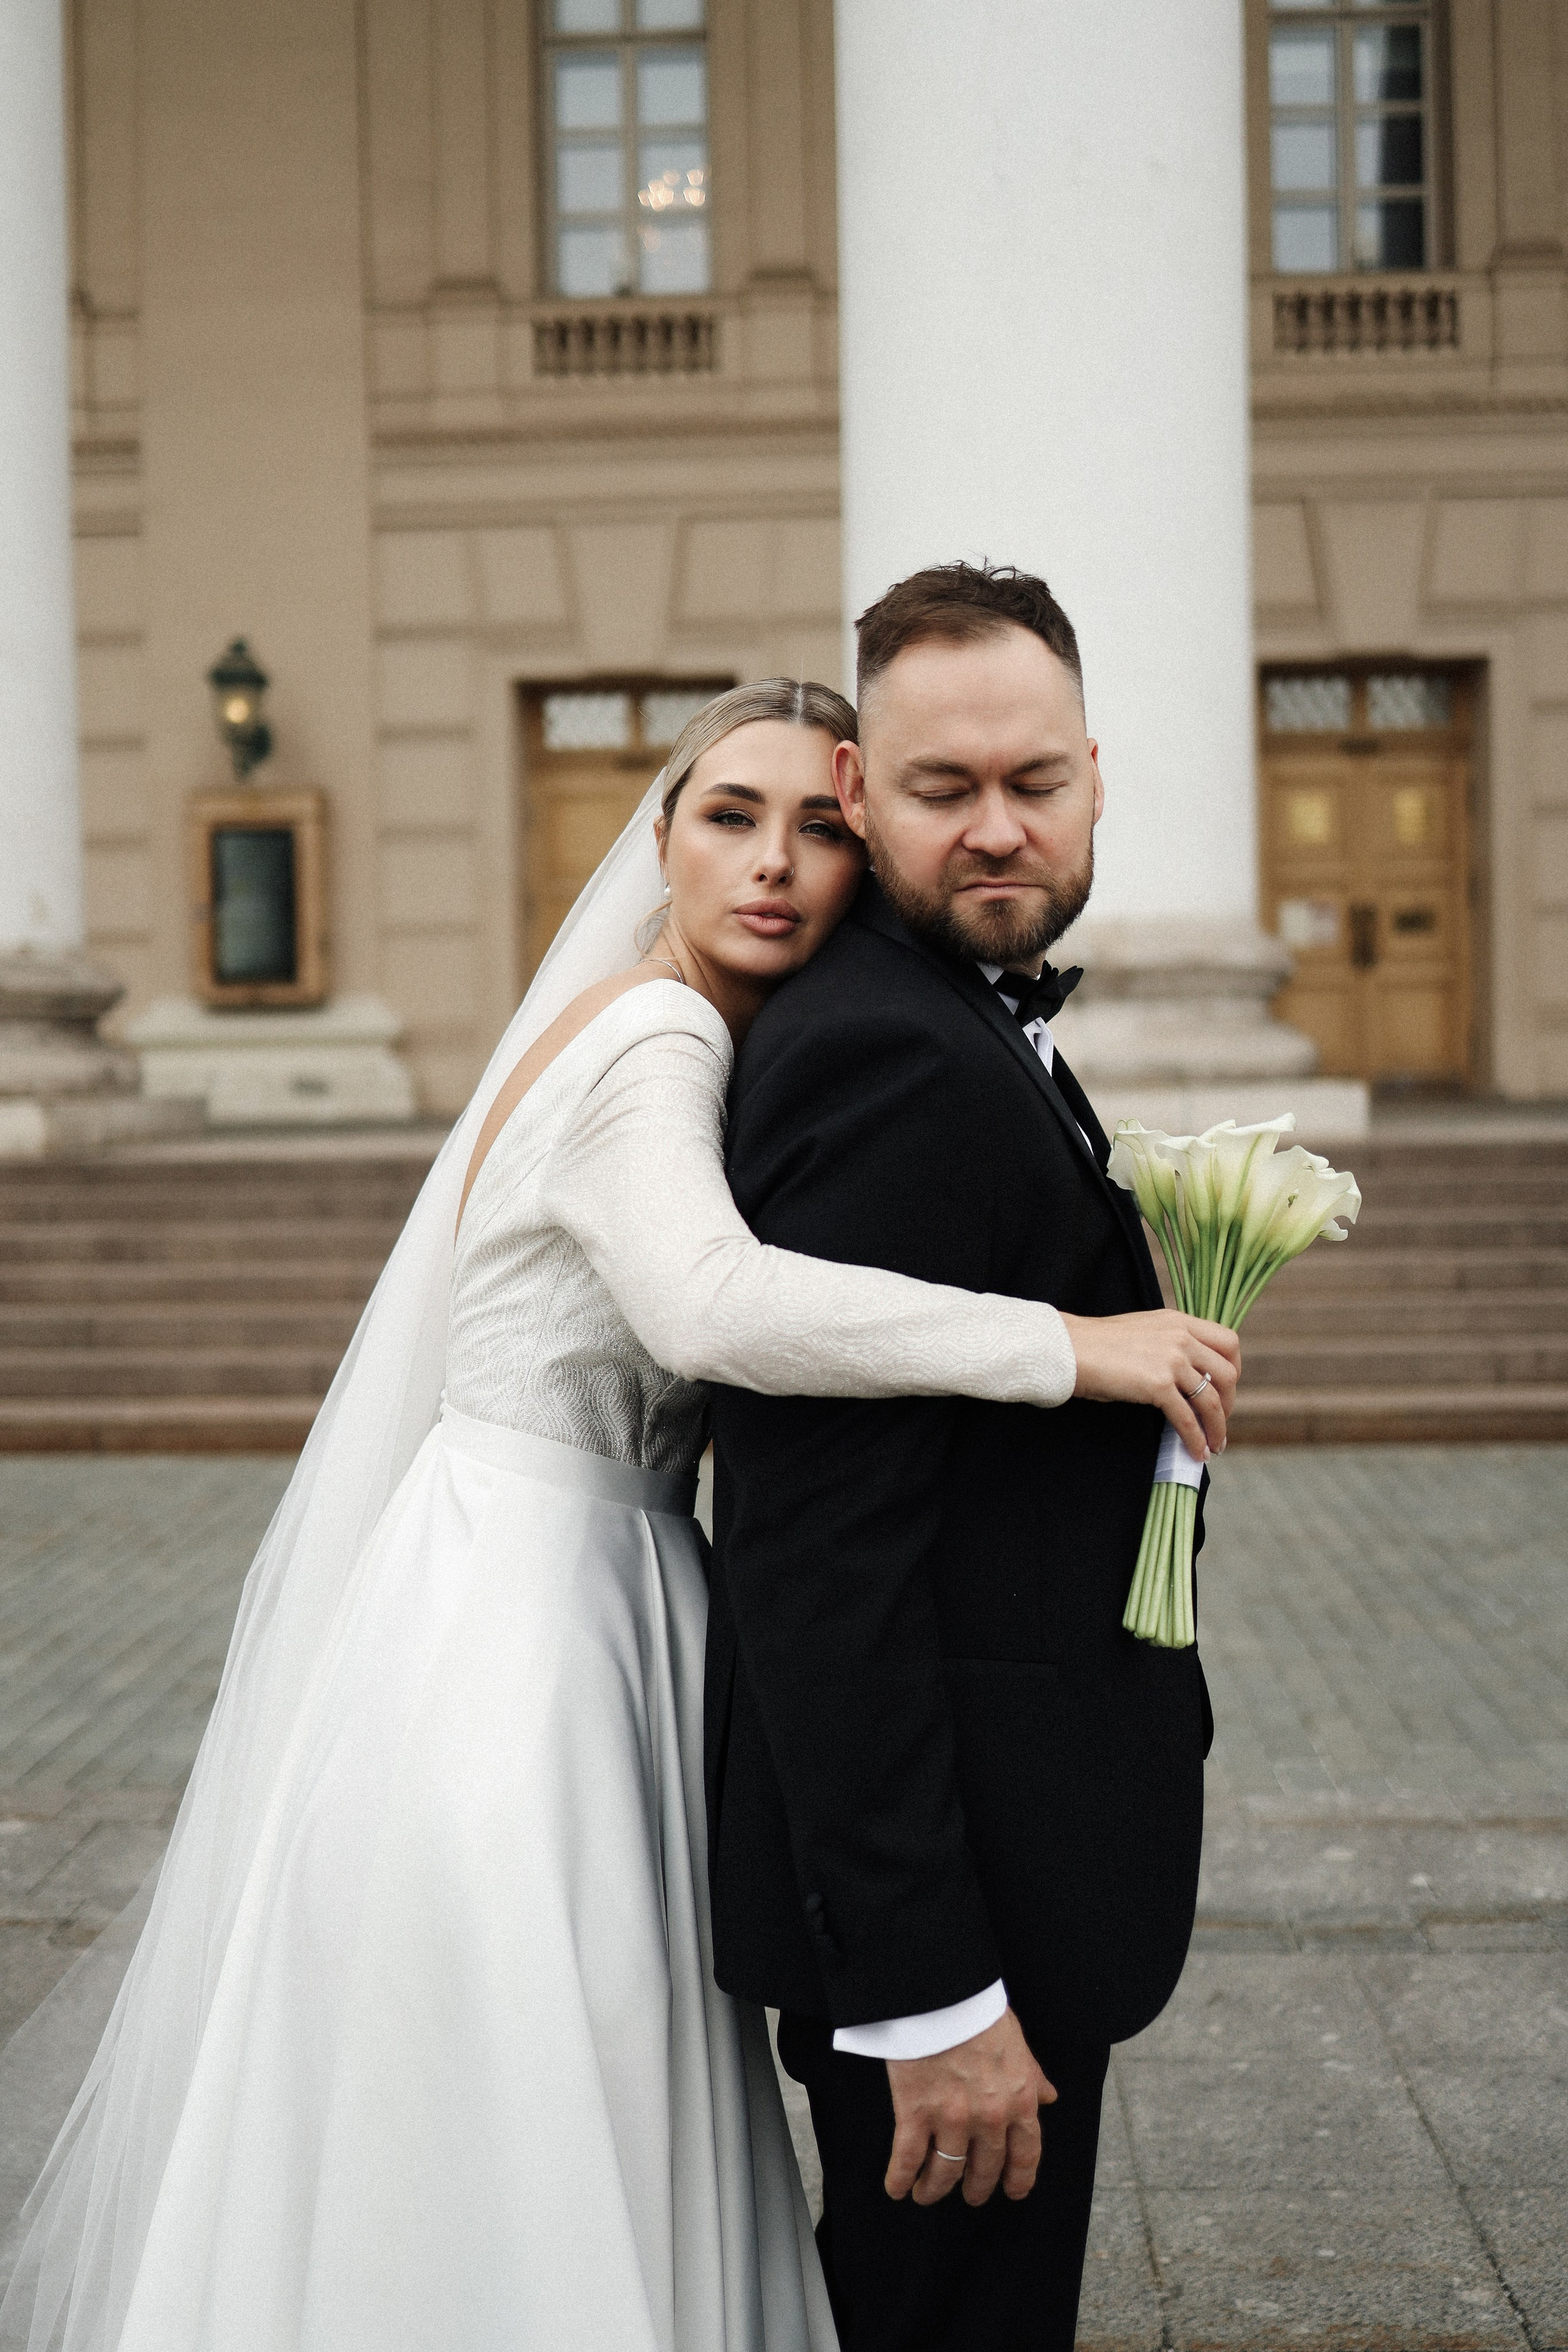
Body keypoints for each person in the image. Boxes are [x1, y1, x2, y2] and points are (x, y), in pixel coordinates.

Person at [0, 675, 1234, 2352]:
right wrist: (1074, 1349)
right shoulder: (652, 1040)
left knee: (570, 2063)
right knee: (526, 2065)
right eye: (729, 817)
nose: (776, 866)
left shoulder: (707, 1042)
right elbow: (711, 1308)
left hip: (592, 1582)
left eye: (818, 826)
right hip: (523, 1629)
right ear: (659, 841)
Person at [707, 568, 1239, 2352]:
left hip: (1014, 1866)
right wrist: (928, 1993)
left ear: (1097, 771)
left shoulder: (961, 1011)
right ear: (861, 793)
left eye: (1036, 782)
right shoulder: (883, 1053)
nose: (999, 829)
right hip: (956, 1926)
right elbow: (815, 1555)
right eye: (945, 791)